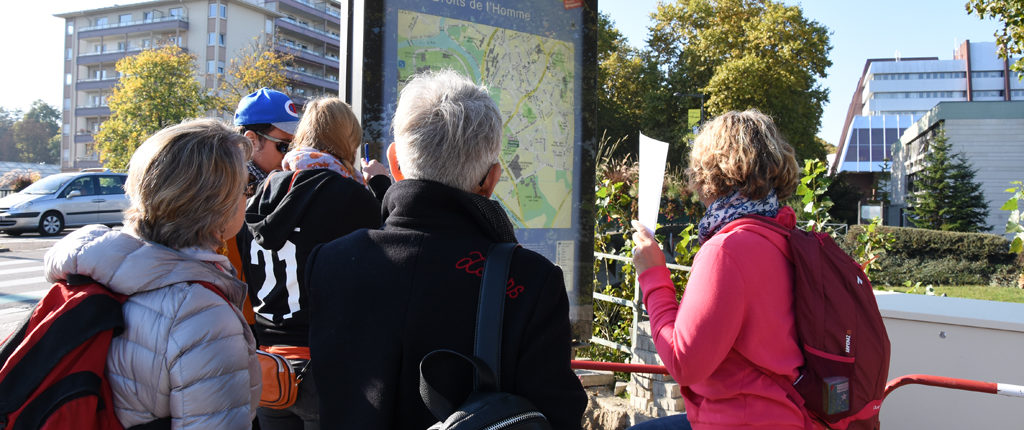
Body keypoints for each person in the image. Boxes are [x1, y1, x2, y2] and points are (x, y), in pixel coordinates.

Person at [305, 69, 587, 429]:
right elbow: (557, 416)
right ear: (491, 180)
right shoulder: (532, 281)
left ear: (394, 163)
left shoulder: (329, 262)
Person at [43, 119, 260, 428]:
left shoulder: (86, 272)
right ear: (216, 204)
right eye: (244, 188)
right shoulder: (202, 316)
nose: (248, 197)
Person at [629, 110, 810, 430]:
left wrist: (652, 274)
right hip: (790, 416)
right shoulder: (784, 238)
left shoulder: (727, 249)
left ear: (707, 173)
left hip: (740, 420)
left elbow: (683, 363)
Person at [242, 97, 383, 430]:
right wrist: (379, 187)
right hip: (326, 366)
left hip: (269, 368)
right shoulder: (351, 196)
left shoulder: (262, 192)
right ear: (348, 140)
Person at [234, 87, 301, 197]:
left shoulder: (287, 182)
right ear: (251, 140)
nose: (291, 155)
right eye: (285, 146)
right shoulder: (230, 189)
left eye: (296, 146)